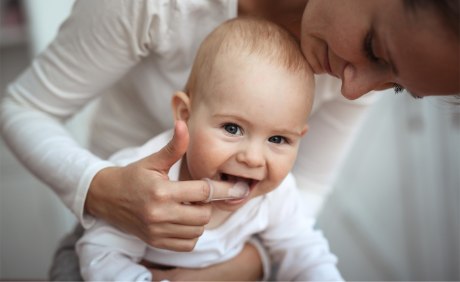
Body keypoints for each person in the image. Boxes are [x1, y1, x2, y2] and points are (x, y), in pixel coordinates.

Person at [0, 0, 458, 280]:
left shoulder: (274, 193)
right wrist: (99, 188)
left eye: (397, 84)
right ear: (183, 113)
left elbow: (302, 233)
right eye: (376, 48)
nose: (354, 91)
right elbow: (22, 108)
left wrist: (244, 267)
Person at [76, 17, 342, 281]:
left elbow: (306, 253)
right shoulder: (143, 182)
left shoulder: (276, 195)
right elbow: (101, 256)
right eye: (232, 128)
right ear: (185, 115)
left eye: (277, 140)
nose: (252, 158)